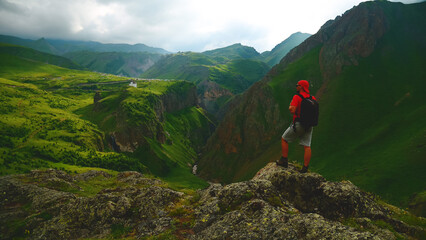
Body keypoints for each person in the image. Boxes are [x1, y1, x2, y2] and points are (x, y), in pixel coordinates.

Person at [276, 80, 316, 173]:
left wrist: (290, 106)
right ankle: (305, 168)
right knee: (307, 146)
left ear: (301, 87)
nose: (296, 87)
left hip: (299, 124)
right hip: (309, 125)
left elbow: (292, 110)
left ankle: (284, 160)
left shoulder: (297, 97)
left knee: (284, 139)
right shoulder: (312, 97)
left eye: (297, 85)